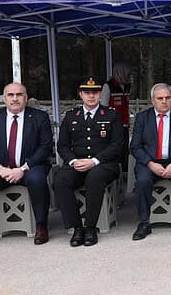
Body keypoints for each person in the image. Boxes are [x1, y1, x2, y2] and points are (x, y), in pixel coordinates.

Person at [0, 82, 54, 248]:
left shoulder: (39, 117)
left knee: (37, 180)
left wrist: (22, 169)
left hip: (30, 167)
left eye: (19, 94)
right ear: (4, 98)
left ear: (26, 98)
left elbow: (46, 148)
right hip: (1, 169)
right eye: (10, 95)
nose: (15, 98)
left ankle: (41, 225)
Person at [53, 78, 124, 247]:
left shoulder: (111, 115)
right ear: (81, 94)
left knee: (94, 178)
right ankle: (77, 228)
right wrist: (72, 161)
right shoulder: (71, 116)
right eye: (87, 92)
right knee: (60, 180)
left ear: (100, 94)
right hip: (77, 163)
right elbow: (62, 145)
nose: (91, 96)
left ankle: (91, 228)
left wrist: (94, 161)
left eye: (95, 92)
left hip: (104, 164)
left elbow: (118, 145)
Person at [129, 83, 171, 239]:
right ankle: (144, 222)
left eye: (167, 98)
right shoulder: (142, 118)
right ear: (153, 100)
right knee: (142, 181)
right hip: (150, 162)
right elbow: (135, 147)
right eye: (160, 98)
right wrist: (150, 164)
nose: (164, 101)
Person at [100, 60, 132, 170]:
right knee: (115, 149)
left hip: (125, 123)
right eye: (127, 73)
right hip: (113, 124)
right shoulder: (108, 86)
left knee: (125, 149)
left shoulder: (127, 86)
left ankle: (125, 172)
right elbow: (104, 107)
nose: (129, 76)